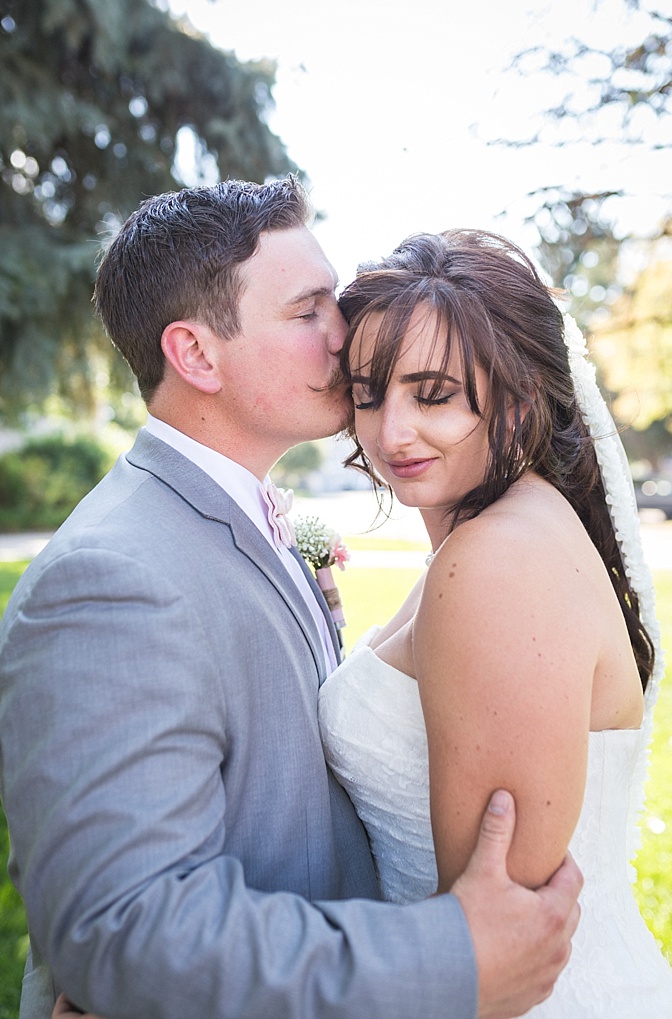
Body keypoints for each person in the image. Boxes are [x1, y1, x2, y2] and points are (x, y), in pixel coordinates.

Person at [0, 179, 579, 1019]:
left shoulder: (242, 518)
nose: (344, 335)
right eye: (309, 311)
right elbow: (122, 927)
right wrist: (452, 956)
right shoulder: (112, 579)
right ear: (196, 355)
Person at [317, 229, 672, 1017]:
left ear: (516, 396)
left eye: (434, 393)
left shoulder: (496, 565)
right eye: (370, 393)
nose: (391, 432)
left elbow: (495, 939)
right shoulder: (502, 533)